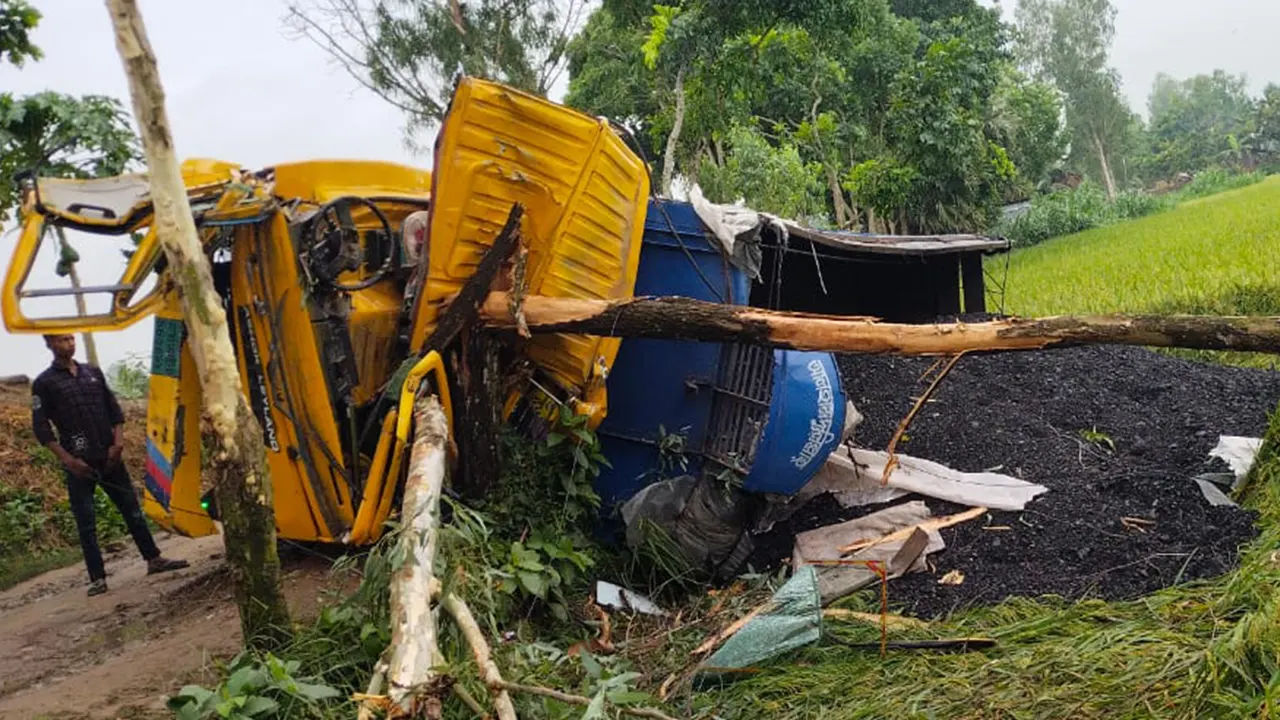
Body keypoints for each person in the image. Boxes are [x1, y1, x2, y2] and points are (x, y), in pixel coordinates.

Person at [31, 333, 188, 596]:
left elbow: (114, 410)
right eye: (61, 340)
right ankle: (98, 578)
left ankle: (154, 559)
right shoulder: (44, 383)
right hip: (79, 462)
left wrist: (118, 444)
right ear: (49, 344)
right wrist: (69, 461)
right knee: (86, 522)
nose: (68, 344)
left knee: (132, 511)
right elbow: (41, 428)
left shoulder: (92, 373)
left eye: (70, 339)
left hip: (110, 456)